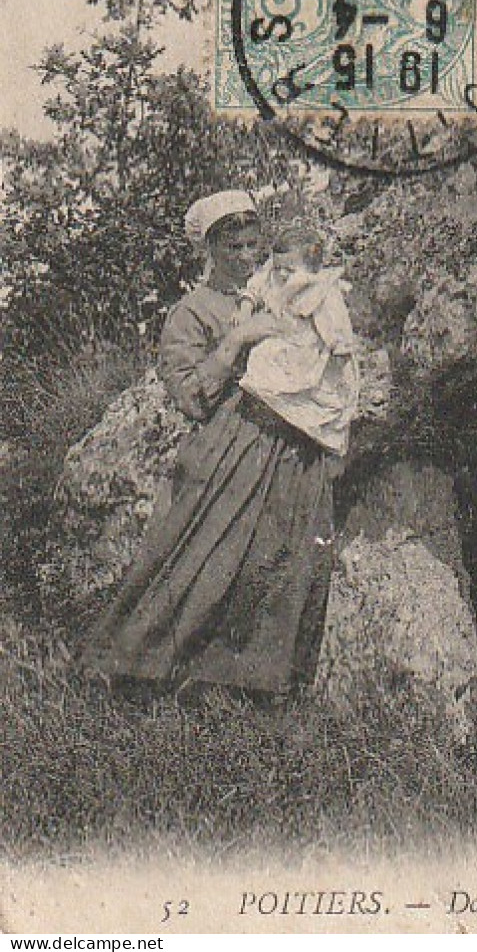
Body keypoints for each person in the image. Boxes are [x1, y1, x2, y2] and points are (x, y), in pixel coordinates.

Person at [81, 190, 339, 698]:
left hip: (293, 453)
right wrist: (237, 340)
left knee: (284, 567)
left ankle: (251, 694)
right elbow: (192, 399)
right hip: (228, 452)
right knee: (200, 566)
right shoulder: (191, 313)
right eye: (233, 248)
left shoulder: (283, 290)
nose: (246, 257)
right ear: (211, 250)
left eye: (251, 245)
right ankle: (137, 677)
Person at [236, 224, 361, 456]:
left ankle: (299, 425)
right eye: (279, 267)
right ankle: (272, 409)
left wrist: (340, 355)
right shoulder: (276, 275)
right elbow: (257, 284)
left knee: (313, 392)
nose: (282, 274)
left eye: (290, 270)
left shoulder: (321, 291)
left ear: (311, 269)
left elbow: (337, 327)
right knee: (264, 356)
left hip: (308, 349)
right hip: (285, 339)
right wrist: (246, 306)